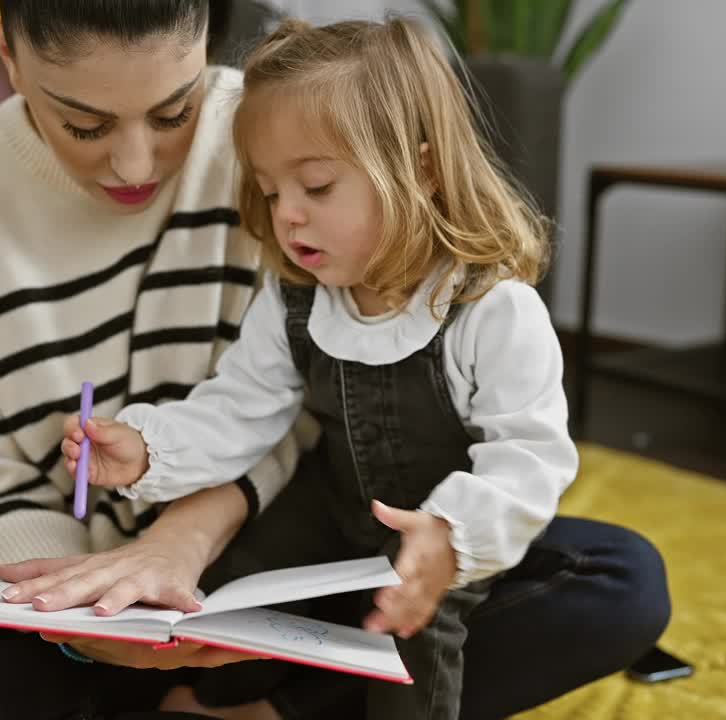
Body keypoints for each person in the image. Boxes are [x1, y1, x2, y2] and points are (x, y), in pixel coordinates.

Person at [0, 1, 671, 718]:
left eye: (174, 112)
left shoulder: (273, 126)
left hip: (302, 567)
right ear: (7, 56)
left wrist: (184, 540)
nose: (137, 166)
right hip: (119, 592)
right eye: (85, 124)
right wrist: (91, 603)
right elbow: (239, 401)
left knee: (618, 582)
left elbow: (310, 422)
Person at [58, 16, 613, 720]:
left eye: (316, 188)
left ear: (423, 172)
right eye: (269, 191)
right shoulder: (297, 299)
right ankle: (208, 701)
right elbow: (239, 406)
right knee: (234, 578)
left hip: (435, 531)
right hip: (331, 507)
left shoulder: (491, 309)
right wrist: (144, 449)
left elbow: (530, 459)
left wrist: (450, 537)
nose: (287, 216)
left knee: (417, 629)